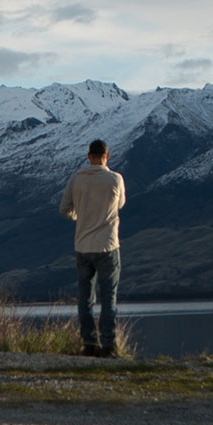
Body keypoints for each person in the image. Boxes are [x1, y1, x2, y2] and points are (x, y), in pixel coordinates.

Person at [59, 139, 125, 357]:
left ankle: (89, 343)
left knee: (85, 299)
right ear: (108, 156)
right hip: (108, 245)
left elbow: (64, 209)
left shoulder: (76, 179)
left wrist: (79, 216)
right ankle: (109, 345)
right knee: (108, 298)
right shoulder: (115, 179)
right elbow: (120, 204)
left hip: (83, 246)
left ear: (89, 156)